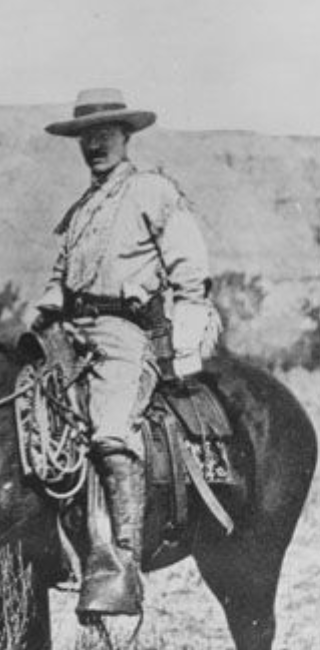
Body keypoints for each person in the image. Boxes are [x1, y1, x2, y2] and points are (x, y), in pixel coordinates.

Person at [31, 88, 219, 621]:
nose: (95, 145)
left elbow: (190, 267)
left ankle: (120, 566)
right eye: (86, 138)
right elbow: (60, 273)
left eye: (105, 135)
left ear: (125, 136)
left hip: (123, 332)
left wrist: (186, 338)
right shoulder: (84, 208)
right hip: (71, 329)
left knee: (111, 433)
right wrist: (48, 302)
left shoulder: (152, 192)